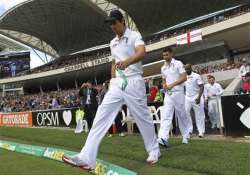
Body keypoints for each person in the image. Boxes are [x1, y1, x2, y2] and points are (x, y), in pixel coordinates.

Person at [62, 9, 160, 171]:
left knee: (142, 118)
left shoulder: (134, 36)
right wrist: (113, 80)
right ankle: (86, 157)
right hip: (117, 83)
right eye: (110, 24)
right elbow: (114, 63)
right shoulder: (112, 43)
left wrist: (128, 62)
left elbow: (142, 52)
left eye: (114, 23)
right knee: (101, 116)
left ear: (123, 22)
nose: (112, 27)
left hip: (134, 82)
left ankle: (154, 150)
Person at [158, 47, 190, 146]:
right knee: (166, 115)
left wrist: (172, 84)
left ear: (171, 54)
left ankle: (185, 135)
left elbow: (184, 77)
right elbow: (164, 79)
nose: (165, 57)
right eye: (163, 55)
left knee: (181, 115)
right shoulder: (163, 67)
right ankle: (163, 138)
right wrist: (164, 85)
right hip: (168, 94)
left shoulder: (178, 64)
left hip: (178, 93)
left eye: (166, 55)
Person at [185, 64, 205, 138]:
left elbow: (202, 87)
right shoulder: (184, 76)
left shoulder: (196, 76)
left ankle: (201, 131)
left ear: (191, 68)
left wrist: (199, 97)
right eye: (185, 69)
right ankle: (189, 130)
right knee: (186, 113)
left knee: (199, 115)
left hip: (196, 97)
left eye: (187, 69)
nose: (186, 70)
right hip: (187, 98)